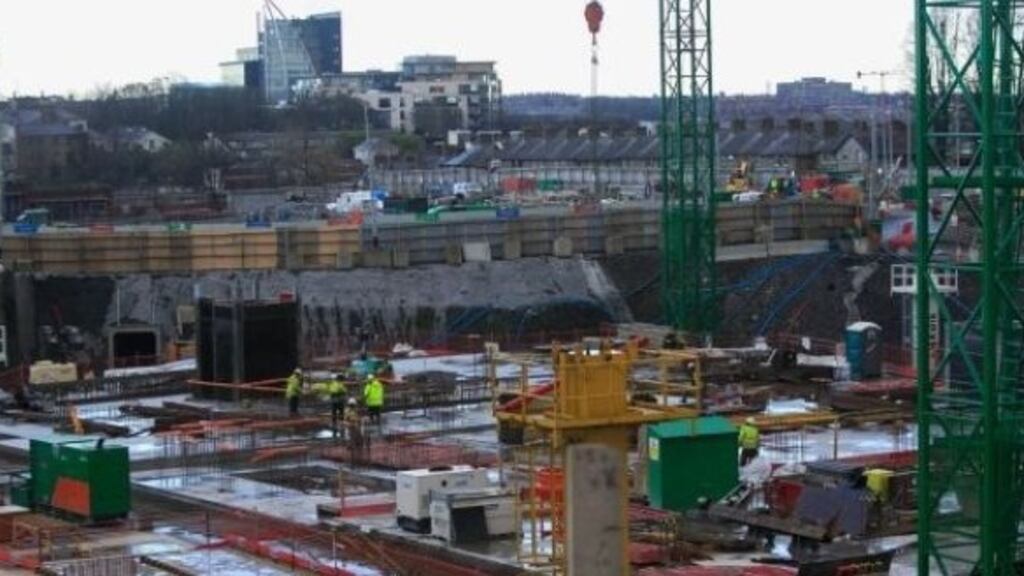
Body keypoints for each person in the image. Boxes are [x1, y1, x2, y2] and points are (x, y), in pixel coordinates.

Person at [344, 398, 367, 464]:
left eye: (353, 405)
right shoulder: (348, 411)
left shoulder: (356, 410)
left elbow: (360, 417)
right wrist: (349, 424)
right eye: (351, 405)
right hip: (352, 426)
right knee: (352, 438)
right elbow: (346, 419)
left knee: (359, 438)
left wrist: (361, 420)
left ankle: (358, 450)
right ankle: (353, 452)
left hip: (357, 426)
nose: (352, 406)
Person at [326, 373, 348, 438]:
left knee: (334, 412)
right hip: (339, 400)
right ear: (340, 379)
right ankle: (341, 423)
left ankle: (334, 423)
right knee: (341, 412)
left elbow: (329, 390)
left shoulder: (332, 383)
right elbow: (344, 390)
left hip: (333, 400)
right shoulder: (340, 384)